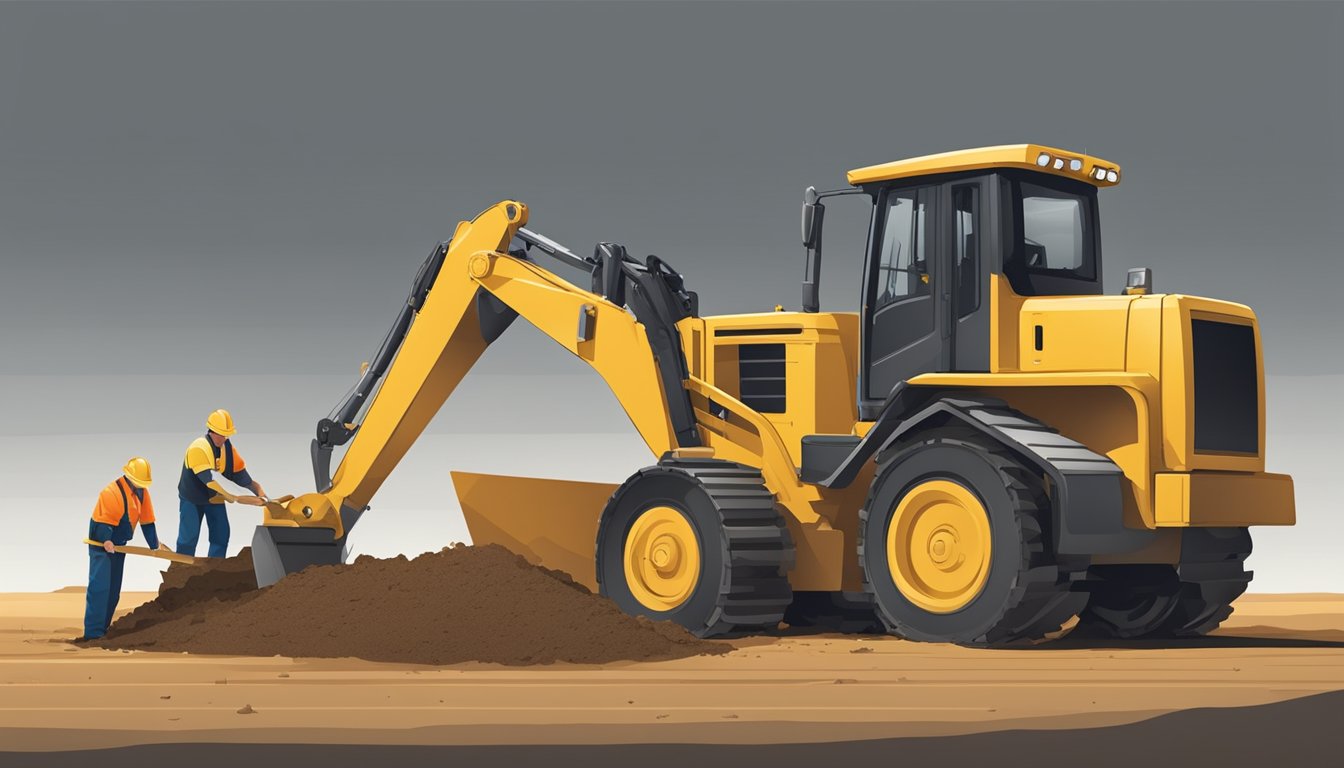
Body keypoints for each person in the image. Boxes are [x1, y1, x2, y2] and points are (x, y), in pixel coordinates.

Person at [78, 457, 165, 642]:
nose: (142, 486)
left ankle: (103, 630)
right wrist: (106, 540)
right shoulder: (112, 492)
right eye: (139, 482)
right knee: (100, 588)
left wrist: (155, 545)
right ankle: (92, 634)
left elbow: (147, 521)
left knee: (113, 590)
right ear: (129, 476)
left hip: (119, 544)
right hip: (101, 543)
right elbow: (103, 522)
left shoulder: (142, 493)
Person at [176, 409, 265, 558]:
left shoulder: (227, 448)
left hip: (214, 497)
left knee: (221, 534)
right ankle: (182, 569)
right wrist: (237, 498)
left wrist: (258, 491)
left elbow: (241, 476)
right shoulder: (198, 448)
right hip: (192, 498)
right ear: (212, 432)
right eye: (223, 434)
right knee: (188, 538)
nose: (225, 438)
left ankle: (214, 568)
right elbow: (210, 480)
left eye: (227, 434)